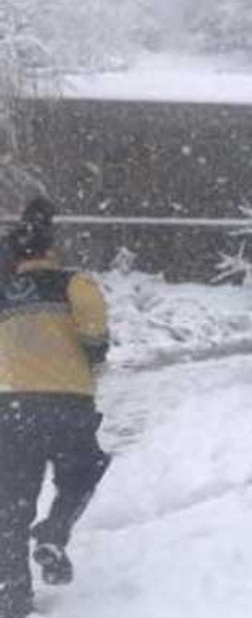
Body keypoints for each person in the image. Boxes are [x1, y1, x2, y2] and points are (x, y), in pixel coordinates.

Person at [0, 197, 111, 618]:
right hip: (68, 402)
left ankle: (12, 597)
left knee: (10, 503)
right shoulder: (74, 283)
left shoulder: (2, 291)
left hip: (10, 407)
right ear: (50, 249)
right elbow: (96, 340)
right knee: (82, 473)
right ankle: (54, 529)